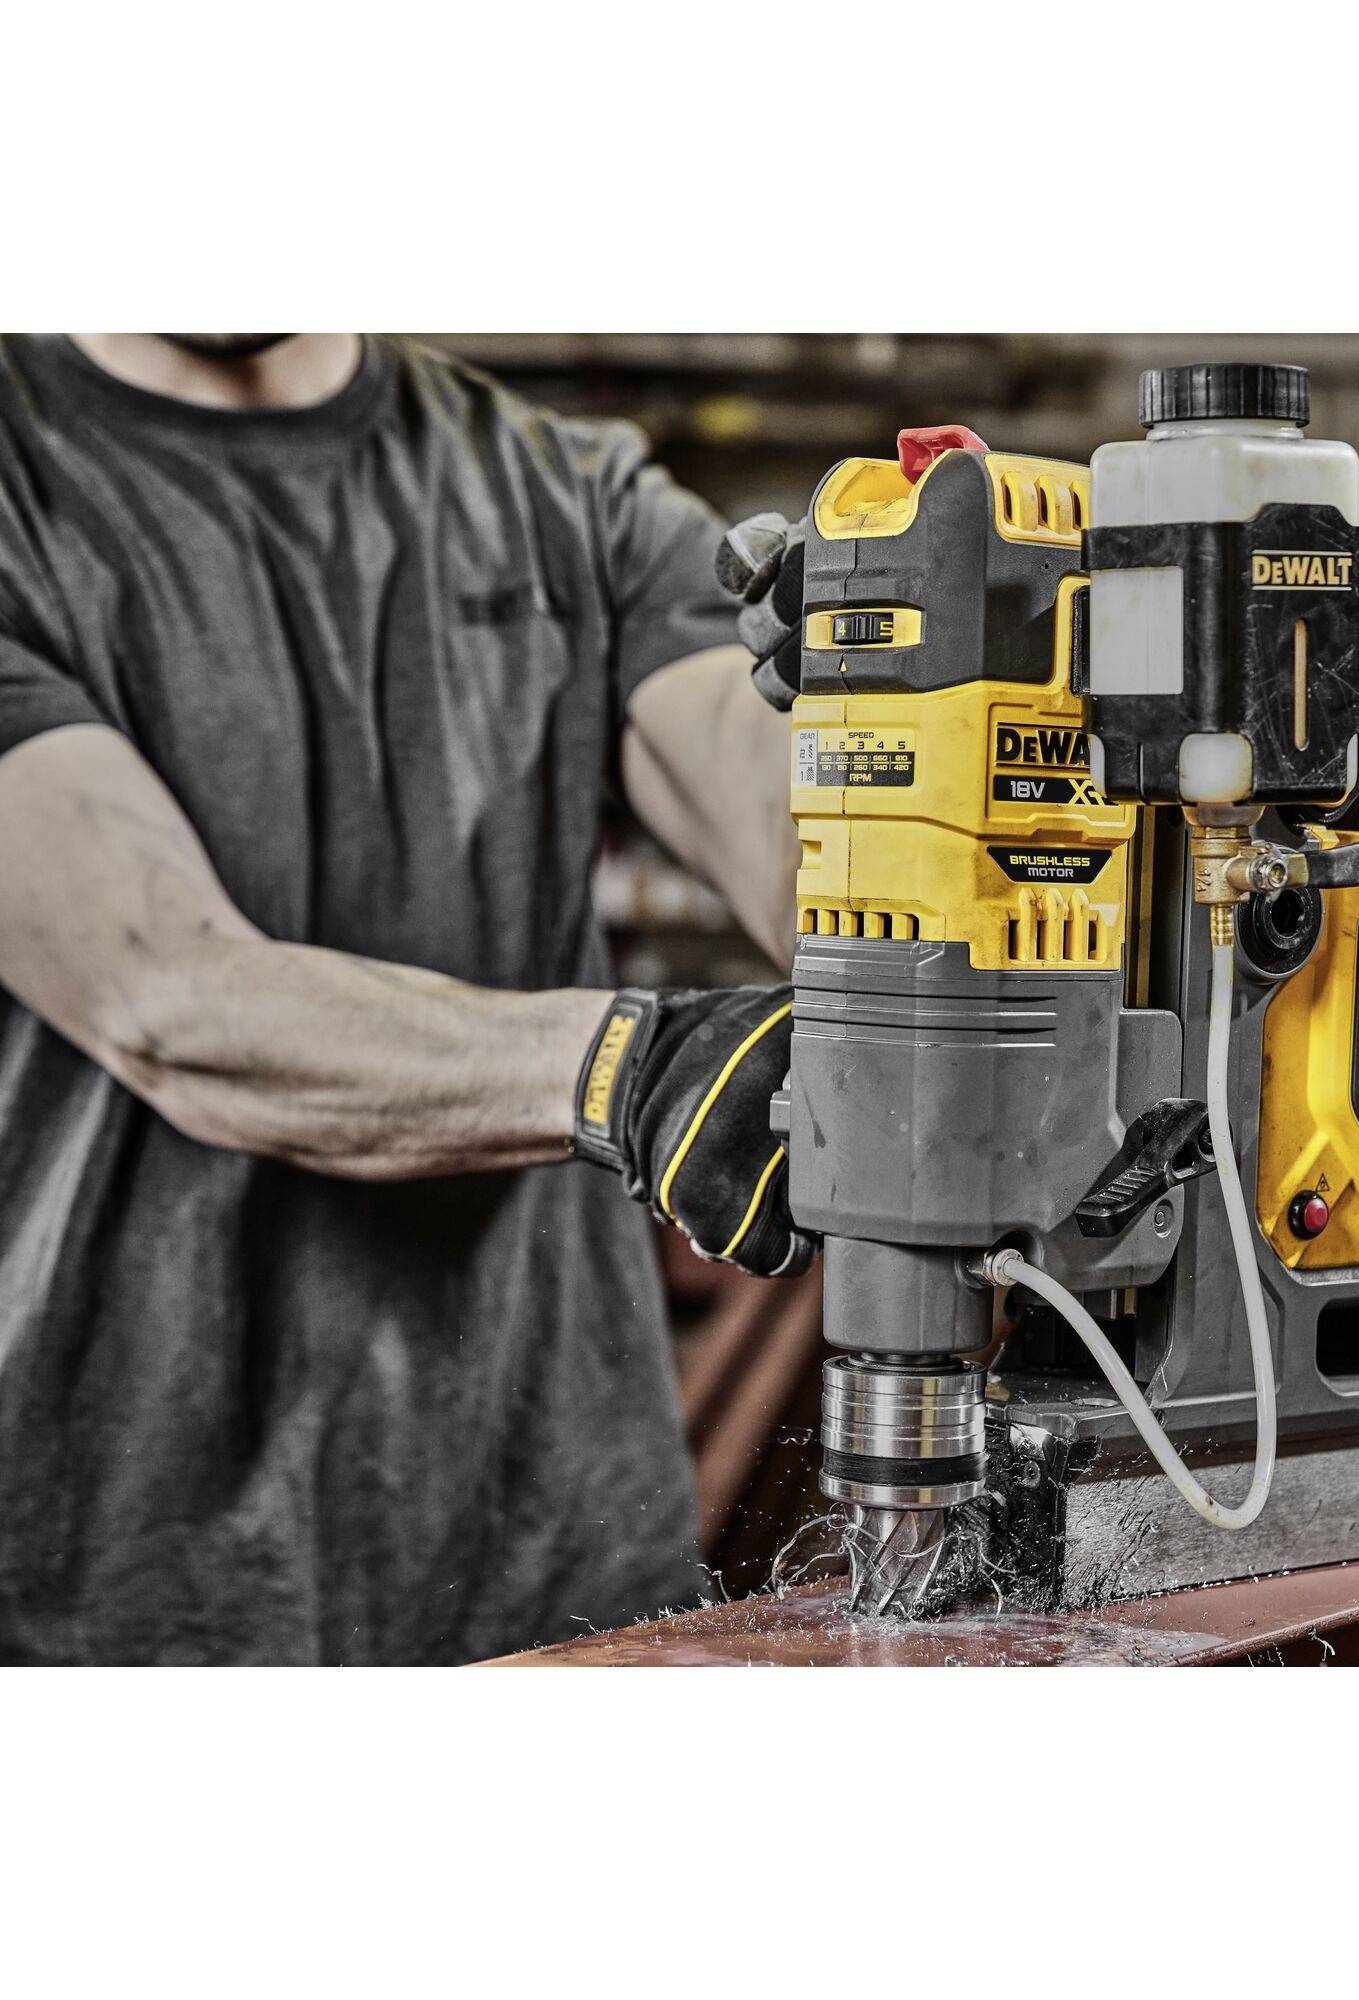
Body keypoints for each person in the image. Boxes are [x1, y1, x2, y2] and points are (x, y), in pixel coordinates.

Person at [0, 333, 808, 1665]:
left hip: (558, 1564)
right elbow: (168, 995)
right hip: (121, 1588)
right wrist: (620, 1070)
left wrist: (938, 816)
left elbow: (804, 847)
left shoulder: (569, 491)